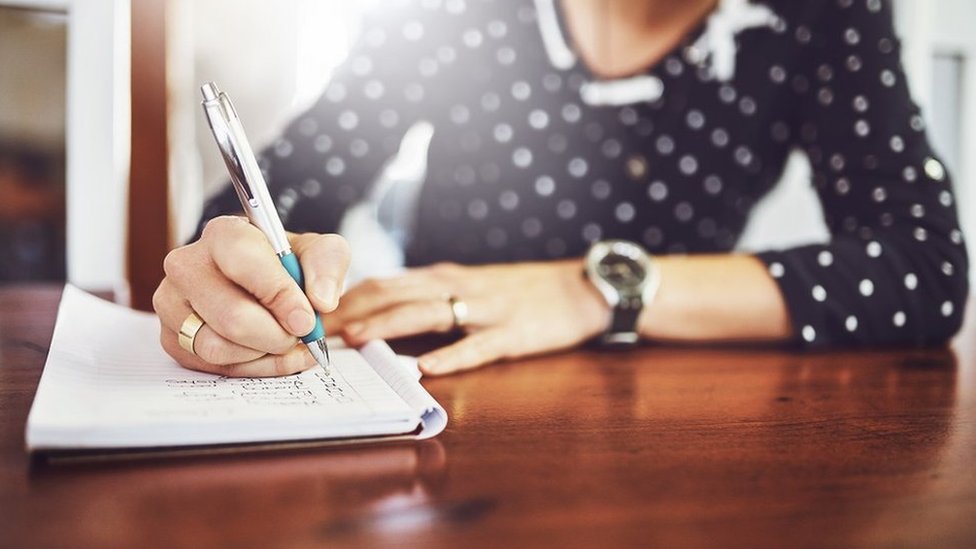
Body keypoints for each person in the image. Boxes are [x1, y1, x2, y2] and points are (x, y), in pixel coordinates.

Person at [153, 0, 969, 377]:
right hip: (448, 402)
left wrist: (591, 291)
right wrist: (236, 266)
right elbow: (277, 191)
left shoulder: (823, 17)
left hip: (676, 421)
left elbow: (925, 270)